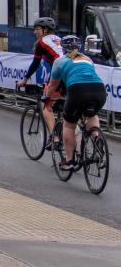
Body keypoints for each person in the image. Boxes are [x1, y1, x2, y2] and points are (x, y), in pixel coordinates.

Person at [45, 34, 107, 170]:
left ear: (62, 47)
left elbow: (52, 86)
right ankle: (97, 140)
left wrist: (47, 97)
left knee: (69, 125)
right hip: (99, 89)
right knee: (91, 114)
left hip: (78, 90)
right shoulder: (88, 59)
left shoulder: (60, 61)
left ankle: (70, 161)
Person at [17, 17, 64, 144]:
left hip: (60, 73)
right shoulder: (60, 40)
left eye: (37, 29)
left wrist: (25, 79)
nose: (34, 32)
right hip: (72, 73)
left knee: (46, 105)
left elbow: (35, 63)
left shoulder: (42, 42)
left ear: (45, 30)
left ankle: (54, 137)